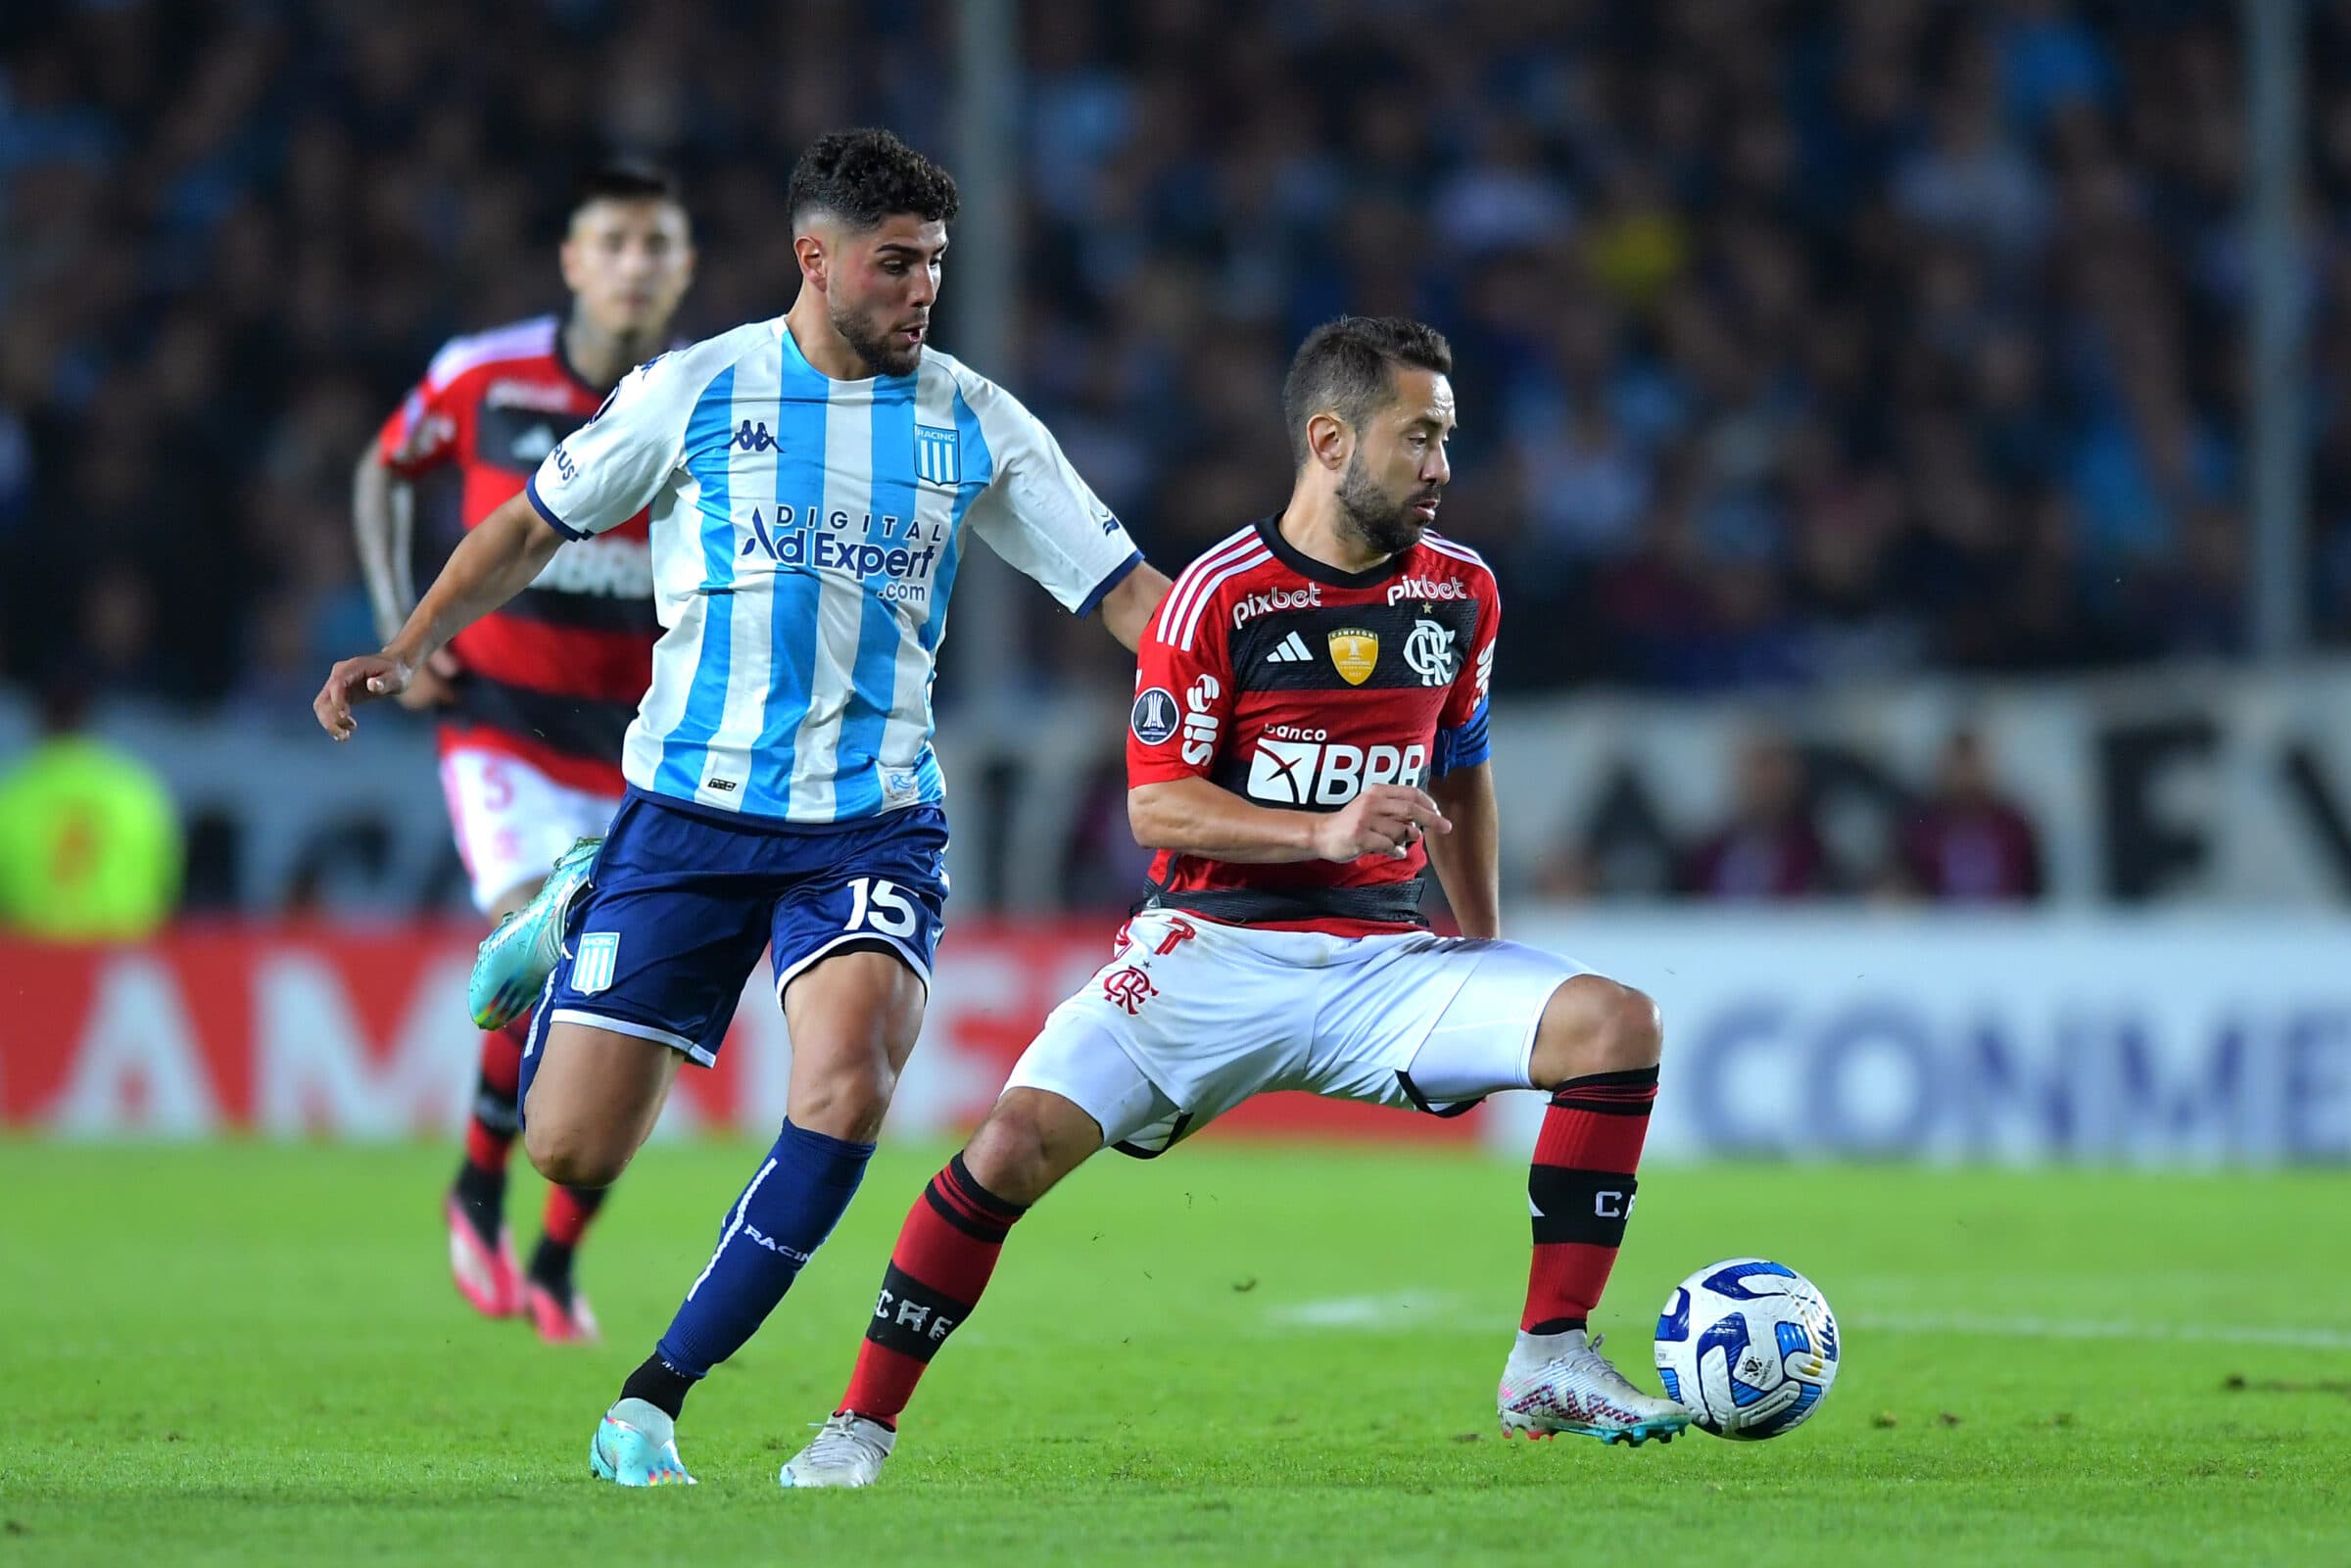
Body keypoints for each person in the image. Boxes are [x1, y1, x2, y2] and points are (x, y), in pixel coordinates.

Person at [313, 128, 1171, 1486]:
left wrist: (1241, 700)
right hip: (688, 808)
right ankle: (577, 900)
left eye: (935, 267)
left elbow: (1132, 596)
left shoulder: (974, 418)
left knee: (849, 1083)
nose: (920, 292)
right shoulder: (696, 390)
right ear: (814, 259)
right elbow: (533, 522)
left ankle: (653, 1397)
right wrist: (411, 641)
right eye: (895, 265)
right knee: (569, 1147)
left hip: (874, 819)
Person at [774, 316, 1685, 1492]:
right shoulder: (1219, 596)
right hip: (1206, 954)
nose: (1443, 467)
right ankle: (858, 1424)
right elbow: (1160, 811)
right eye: (1419, 439)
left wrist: (1481, 946)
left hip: (1381, 964)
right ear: (1328, 440)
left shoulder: (1463, 592)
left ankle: (1549, 1353)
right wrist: (1324, 828)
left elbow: (1464, 761)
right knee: (1006, 1146)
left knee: (1618, 1023)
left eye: (1447, 439)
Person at [353, 161, 696, 1345]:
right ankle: (479, 1188)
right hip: (503, 724)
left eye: (659, 244)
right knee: (542, 943)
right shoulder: (480, 374)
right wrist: (409, 621)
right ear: (571, 260)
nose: (636, 264)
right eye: (615, 241)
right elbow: (382, 470)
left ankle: (553, 1255)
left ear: (684, 268)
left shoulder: (706, 400)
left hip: (644, 757)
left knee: (630, 1016)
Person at [0, 679, 181, 942]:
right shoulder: (136, 790)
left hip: (30, 964)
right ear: (90, 720)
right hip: (120, 962)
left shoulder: (10, 794)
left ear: (39, 721)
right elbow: (167, 887)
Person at [1893, 728, 2044, 901]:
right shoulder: (1921, 829)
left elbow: (2036, 894)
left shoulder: (2014, 827)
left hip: (2008, 924)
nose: (1964, 778)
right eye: (1957, 768)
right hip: (1938, 925)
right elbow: (1905, 888)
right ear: (1942, 769)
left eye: (1971, 767)